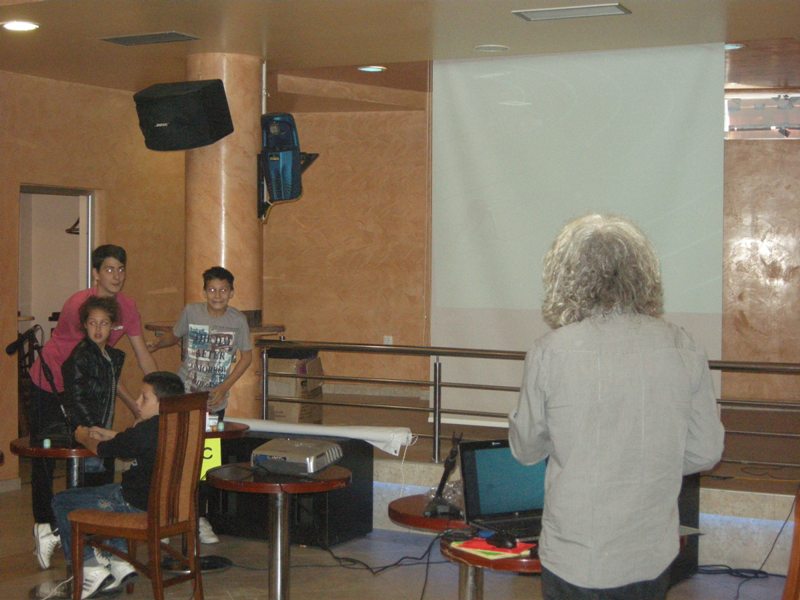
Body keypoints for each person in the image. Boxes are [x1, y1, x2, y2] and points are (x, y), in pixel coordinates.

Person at [509, 214, 724, 600]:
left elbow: (526, 450)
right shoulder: (683, 346)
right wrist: (648, 465)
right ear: (643, 275)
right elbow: (705, 451)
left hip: (575, 554)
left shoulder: (550, 351)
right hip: (649, 552)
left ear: (567, 277)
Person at [30, 244, 158, 570]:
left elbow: (139, 354)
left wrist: (162, 393)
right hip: (52, 382)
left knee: (96, 453)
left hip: (91, 388)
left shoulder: (127, 307)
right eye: (109, 269)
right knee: (47, 452)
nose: (116, 276)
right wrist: (130, 402)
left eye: (121, 269)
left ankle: (91, 534)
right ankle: (45, 524)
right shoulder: (78, 305)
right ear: (96, 273)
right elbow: (83, 366)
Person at [50, 371, 185, 599]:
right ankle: (119, 561)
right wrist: (108, 433)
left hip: (135, 505)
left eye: (144, 398)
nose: (138, 402)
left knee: (62, 501)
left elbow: (102, 450)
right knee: (111, 493)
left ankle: (90, 568)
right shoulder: (180, 424)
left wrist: (83, 435)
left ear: (162, 403)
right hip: (170, 508)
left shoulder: (146, 430)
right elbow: (129, 442)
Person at [148, 265, 252, 544]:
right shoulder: (191, 312)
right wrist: (158, 344)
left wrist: (224, 387)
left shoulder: (237, 320)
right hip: (184, 396)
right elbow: (175, 334)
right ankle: (169, 517)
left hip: (214, 402)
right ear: (204, 291)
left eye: (223, 290)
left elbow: (246, 357)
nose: (217, 295)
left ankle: (200, 517)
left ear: (231, 292)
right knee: (176, 455)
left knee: (206, 462)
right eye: (212, 289)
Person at [61, 296, 126, 487]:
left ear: (112, 325)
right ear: (84, 325)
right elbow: (76, 399)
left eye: (104, 323)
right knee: (88, 484)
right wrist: (94, 429)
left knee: (103, 482)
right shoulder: (81, 356)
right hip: (88, 432)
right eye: (92, 323)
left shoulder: (111, 356)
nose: (98, 329)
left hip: (102, 428)